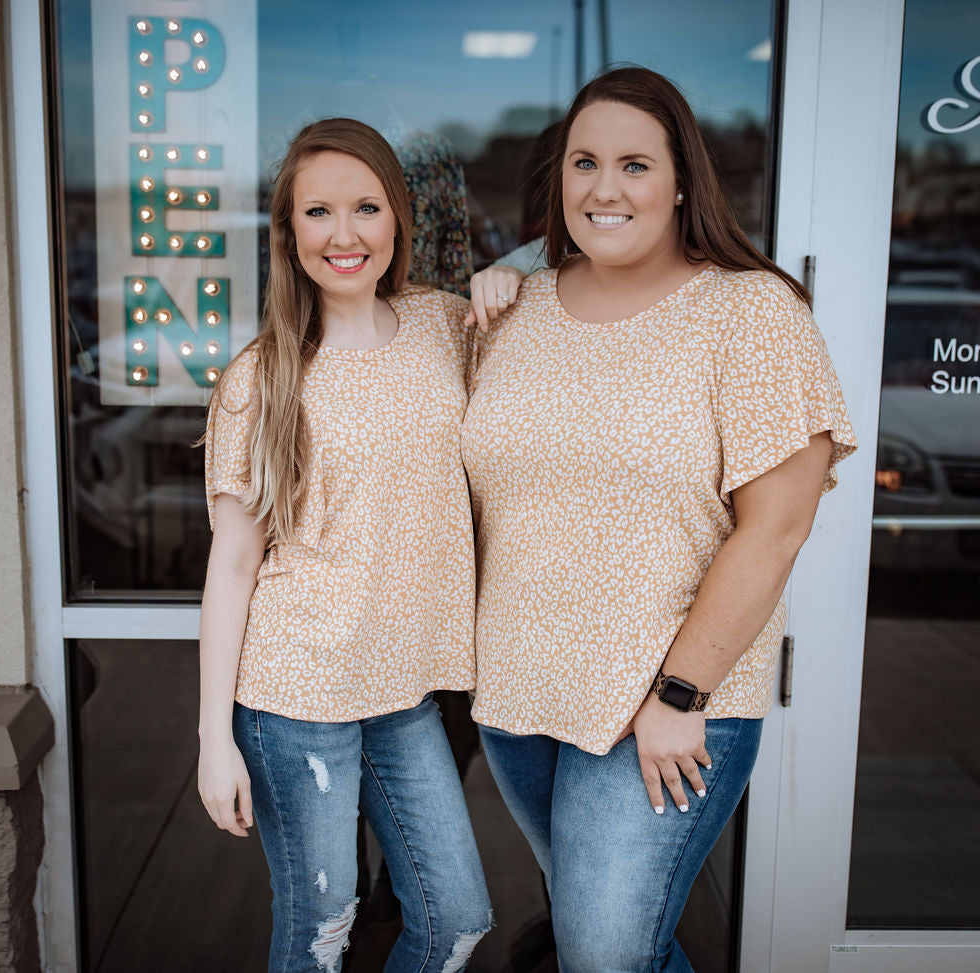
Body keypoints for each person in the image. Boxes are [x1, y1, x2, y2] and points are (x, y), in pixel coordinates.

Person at [461, 66, 857, 972]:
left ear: (682, 182)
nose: (604, 188)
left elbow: (776, 529)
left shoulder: (750, 313)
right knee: (603, 943)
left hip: (663, 704)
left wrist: (681, 696)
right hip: (521, 695)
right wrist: (506, 270)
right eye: (584, 163)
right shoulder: (516, 312)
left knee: (603, 951)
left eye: (635, 165)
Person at [197, 117, 491, 973]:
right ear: (289, 231)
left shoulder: (445, 326)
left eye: (366, 207)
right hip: (296, 693)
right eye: (318, 212)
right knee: (322, 928)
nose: (344, 234)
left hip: (404, 690)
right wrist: (214, 739)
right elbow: (232, 566)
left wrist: (510, 280)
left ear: (398, 217)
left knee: (457, 919)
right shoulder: (261, 377)